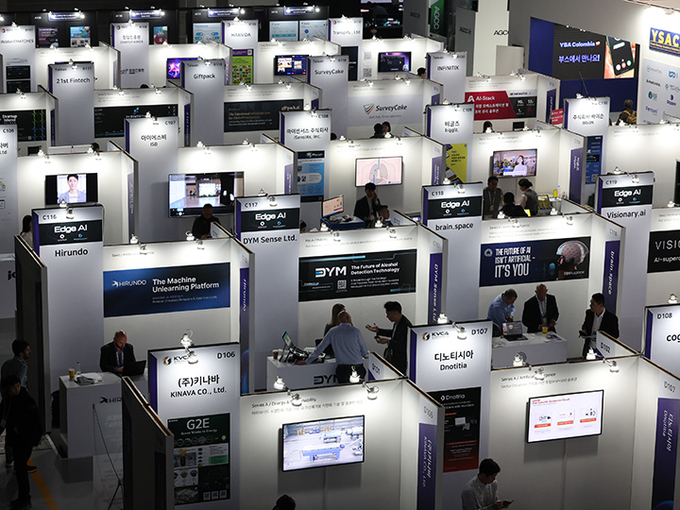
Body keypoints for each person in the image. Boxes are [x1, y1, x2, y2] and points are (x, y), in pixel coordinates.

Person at [0, 375, 43, 510]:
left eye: (18, 385)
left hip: (26, 439)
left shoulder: (26, 400)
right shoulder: (7, 401)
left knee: (20, 468)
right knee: (19, 469)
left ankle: (25, 499)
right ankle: (23, 498)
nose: (17, 389)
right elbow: (3, 419)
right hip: (17, 439)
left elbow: (34, 420)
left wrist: (20, 429)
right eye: (14, 387)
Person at [298, 311, 368, 383]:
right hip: (358, 368)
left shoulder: (332, 331)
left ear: (339, 320)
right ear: (348, 318)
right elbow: (364, 351)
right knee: (359, 389)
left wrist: (307, 361)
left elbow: (320, 348)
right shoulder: (356, 331)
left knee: (343, 389)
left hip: (342, 369)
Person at [1, 340, 31, 469]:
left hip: (7, 400)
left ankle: (9, 459)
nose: (29, 352)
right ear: (21, 353)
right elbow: (20, 384)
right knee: (20, 432)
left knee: (10, 431)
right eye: (27, 350)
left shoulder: (6, 364)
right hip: (18, 403)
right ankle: (20, 463)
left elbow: (3, 383)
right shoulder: (22, 366)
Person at [365, 301, 412, 374]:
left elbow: (403, 345)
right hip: (395, 358)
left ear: (395, 313)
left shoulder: (405, 325)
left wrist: (388, 342)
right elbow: (393, 333)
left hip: (401, 361)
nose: (387, 316)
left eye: (388, 314)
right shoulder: (398, 322)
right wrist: (378, 330)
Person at [579, 293, 620, 358]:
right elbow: (585, 325)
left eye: (593, 304)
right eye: (591, 303)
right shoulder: (589, 313)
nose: (590, 305)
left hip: (603, 350)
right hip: (589, 348)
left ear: (600, 305)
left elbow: (615, 335)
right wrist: (584, 331)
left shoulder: (611, 318)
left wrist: (602, 336)